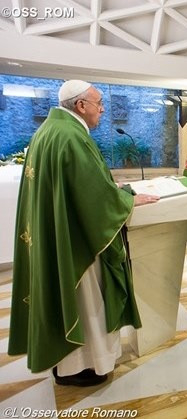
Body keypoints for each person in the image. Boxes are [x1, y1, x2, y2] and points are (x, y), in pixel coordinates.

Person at [9, 80, 158, 387]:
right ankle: (86, 365)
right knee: (87, 300)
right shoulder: (72, 136)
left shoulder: (49, 131)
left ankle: (64, 363)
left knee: (67, 297)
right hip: (77, 241)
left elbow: (77, 183)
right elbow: (94, 197)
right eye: (98, 103)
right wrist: (126, 198)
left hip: (59, 231)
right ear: (80, 105)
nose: (102, 110)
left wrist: (113, 188)